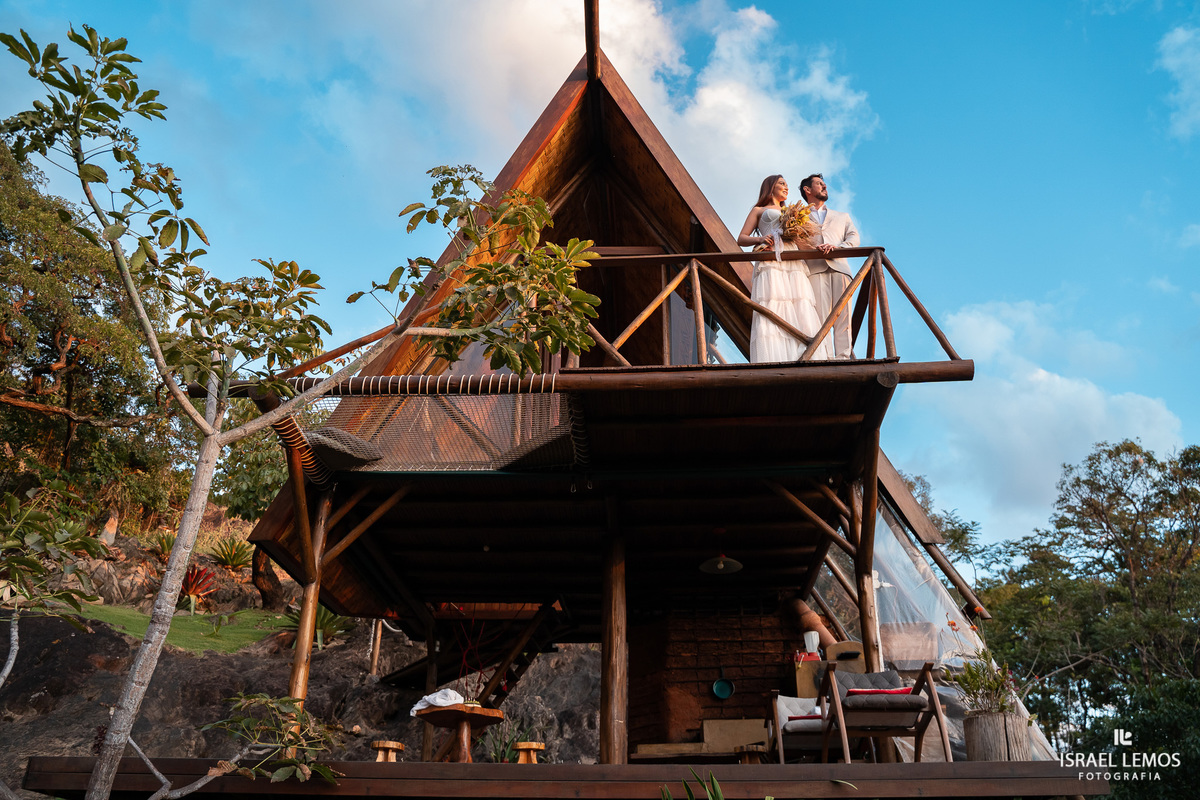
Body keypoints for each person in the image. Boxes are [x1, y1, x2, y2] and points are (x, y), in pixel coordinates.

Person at [737, 175, 832, 362]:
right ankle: (775, 353)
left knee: (798, 300)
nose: (786, 187)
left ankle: (804, 351)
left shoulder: (793, 211)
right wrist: (760, 239)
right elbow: (741, 238)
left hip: (792, 258)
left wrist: (817, 247)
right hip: (771, 257)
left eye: (787, 185)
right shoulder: (759, 210)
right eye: (782, 183)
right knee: (773, 299)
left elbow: (802, 240)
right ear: (770, 187)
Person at [798, 173, 858, 359]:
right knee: (820, 318)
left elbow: (853, 237)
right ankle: (824, 358)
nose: (824, 187)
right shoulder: (799, 217)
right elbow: (796, 241)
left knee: (844, 317)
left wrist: (838, 247)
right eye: (819, 184)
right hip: (814, 270)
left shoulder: (842, 216)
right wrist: (812, 248)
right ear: (807, 190)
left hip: (840, 268)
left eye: (824, 184)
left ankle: (843, 357)